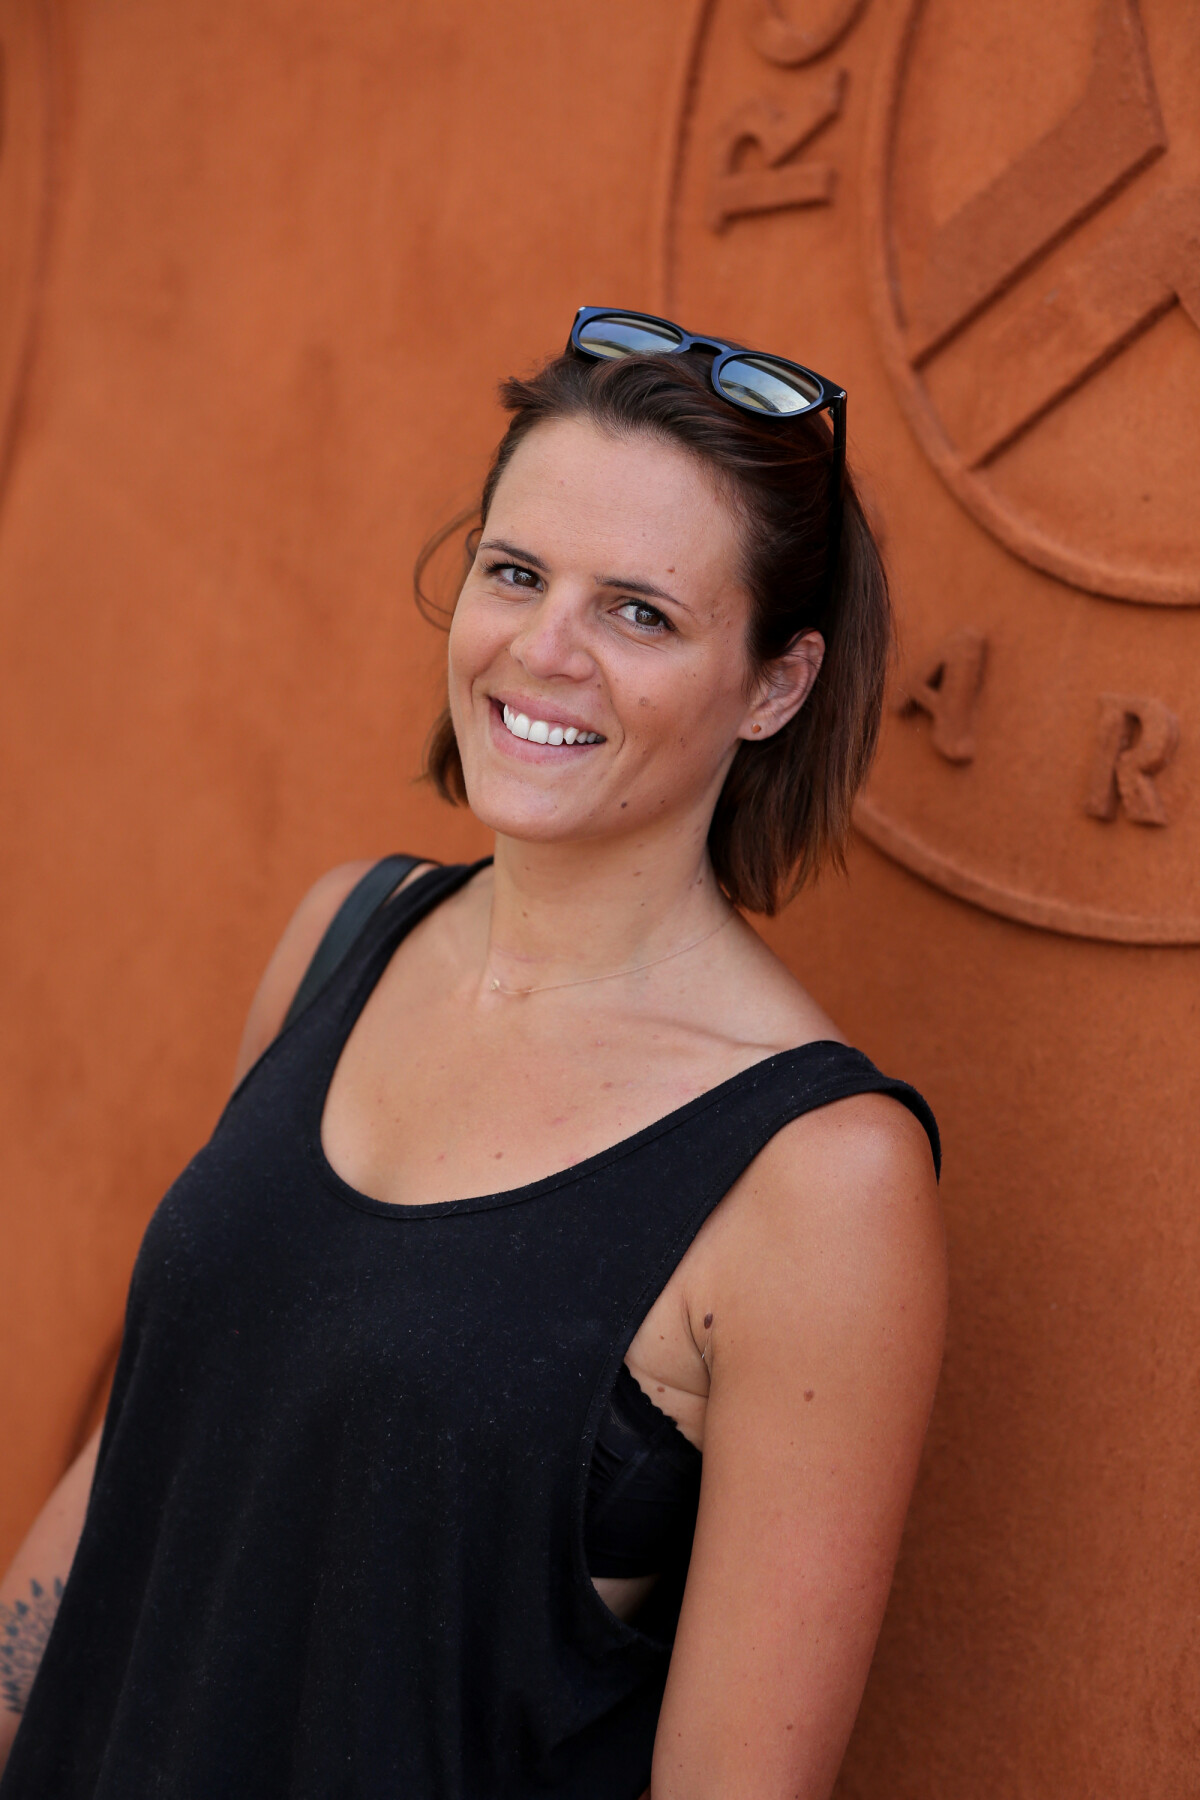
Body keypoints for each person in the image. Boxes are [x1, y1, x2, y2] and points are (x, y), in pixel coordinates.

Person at [0, 308, 946, 1799]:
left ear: (773, 685)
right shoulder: (343, 936)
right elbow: (139, 1467)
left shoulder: (820, 1178)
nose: (543, 652)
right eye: (517, 574)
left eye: (640, 612)